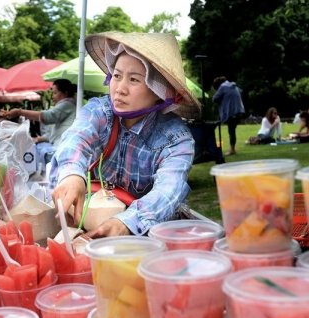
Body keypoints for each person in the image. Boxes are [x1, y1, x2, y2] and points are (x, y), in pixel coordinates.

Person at [50, 31, 201, 238]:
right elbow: (77, 139)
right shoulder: (99, 111)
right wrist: (72, 175)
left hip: (142, 237)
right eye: (117, 76)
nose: (120, 89)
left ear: (160, 92)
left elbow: (168, 191)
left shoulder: (177, 140)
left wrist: (126, 223)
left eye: (134, 80)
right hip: (85, 222)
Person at [1, 79, 77, 170]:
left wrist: (19, 112)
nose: (52, 96)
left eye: (55, 93)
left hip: (62, 150)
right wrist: (38, 139)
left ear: (65, 93)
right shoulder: (68, 105)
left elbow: (47, 117)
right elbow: (56, 133)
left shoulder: (67, 104)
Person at [212, 76, 245, 155]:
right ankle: (232, 148)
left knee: (231, 131)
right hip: (238, 111)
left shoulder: (223, 87)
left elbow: (214, 98)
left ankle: (232, 150)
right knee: (232, 130)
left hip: (231, 112)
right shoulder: (234, 86)